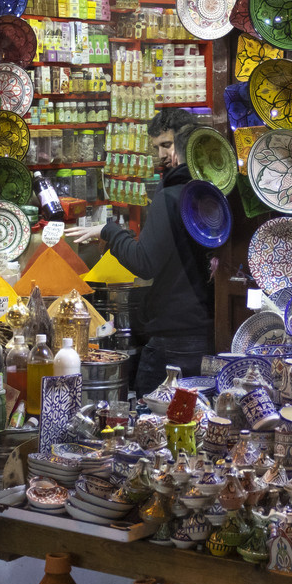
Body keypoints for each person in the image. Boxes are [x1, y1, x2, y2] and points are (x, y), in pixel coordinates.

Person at [66, 116, 214, 392]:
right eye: (156, 147)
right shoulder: (210, 193)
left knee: (151, 409)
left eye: (167, 145)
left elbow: (144, 262)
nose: (162, 155)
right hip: (204, 328)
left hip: (174, 334)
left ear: (187, 145)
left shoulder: (172, 196)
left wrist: (110, 231)